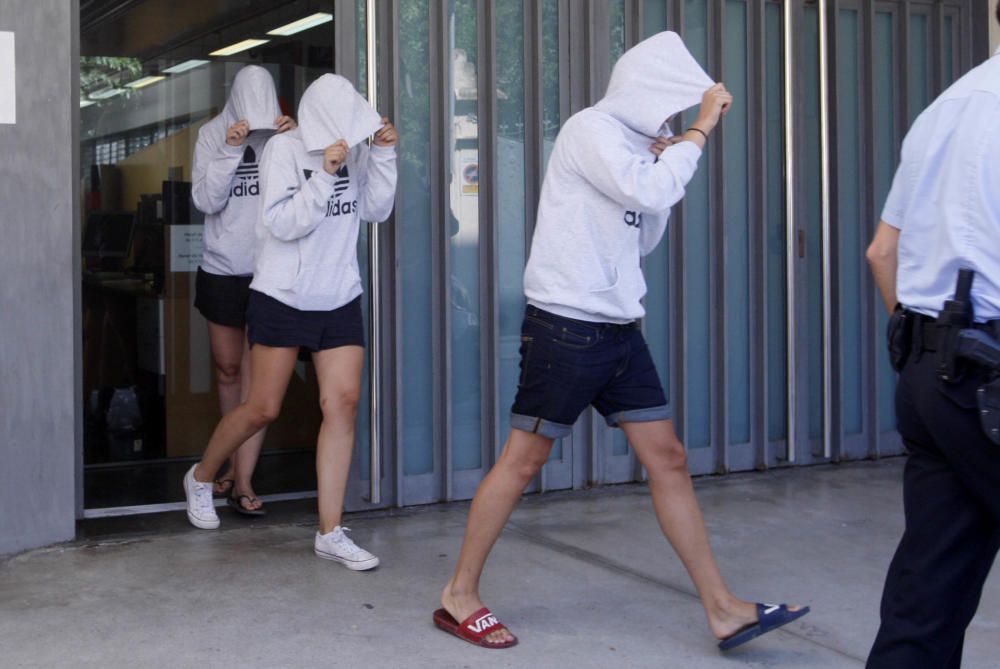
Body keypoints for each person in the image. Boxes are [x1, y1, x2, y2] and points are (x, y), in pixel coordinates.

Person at [434, 31, 808, 650]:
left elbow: (644, 234)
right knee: (524, 460)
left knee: (670, 459)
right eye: (671, 103)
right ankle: (458, 596)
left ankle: (723, 609)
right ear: (645, 91)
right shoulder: (592, 129)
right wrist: (696, 134)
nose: (674, 117)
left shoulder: (637, 146)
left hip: (619, 331)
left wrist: (666, 157)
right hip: (565, 328)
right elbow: (650, 189)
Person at [183, 74, 398, 571]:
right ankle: (201, 476)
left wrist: (383, 155)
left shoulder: (358, 151)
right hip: (282, 296)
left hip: (339, 294)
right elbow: (281, 224)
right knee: (261, 408)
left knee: (341, 405)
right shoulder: (284, 151)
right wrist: (323, 175)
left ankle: (330, 530)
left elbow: (376, 209)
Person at [865, 7, 1000, 666]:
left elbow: (880, 252)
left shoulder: (944, 109)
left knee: (930, 589)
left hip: (929, 371)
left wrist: (921, 347)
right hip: (990, 365)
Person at [191, 65, 296, 516]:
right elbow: (206, 201)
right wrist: (233, 149)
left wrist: (298, 142)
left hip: (269, 271)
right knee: (227, 368)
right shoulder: (211, 134)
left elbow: (304, 197)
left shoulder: (284, 133)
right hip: (222, 268)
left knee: (257, 385)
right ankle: (228, 465)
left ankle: (243, 478)